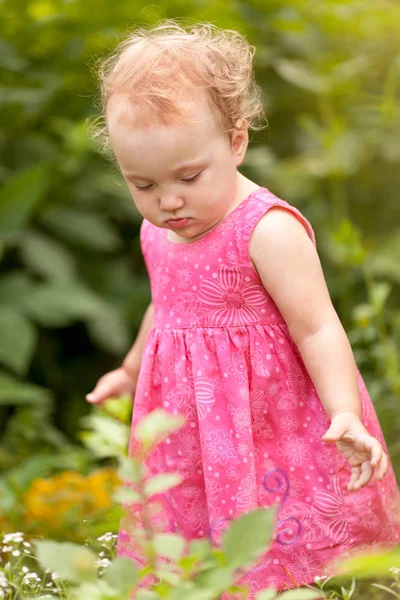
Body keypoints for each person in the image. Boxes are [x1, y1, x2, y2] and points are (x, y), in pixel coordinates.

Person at [86, 19, 400, 595]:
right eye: (143, 184)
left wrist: (345, 411)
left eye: (187, 176)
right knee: (195, 544)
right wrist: (131, 369)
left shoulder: (267, 231)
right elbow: (166, 306)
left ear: (235, 141)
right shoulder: (158, 230)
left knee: (287, 539)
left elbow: (317, 328)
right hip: (194, 425)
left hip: (269, 421)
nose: (169, 200)